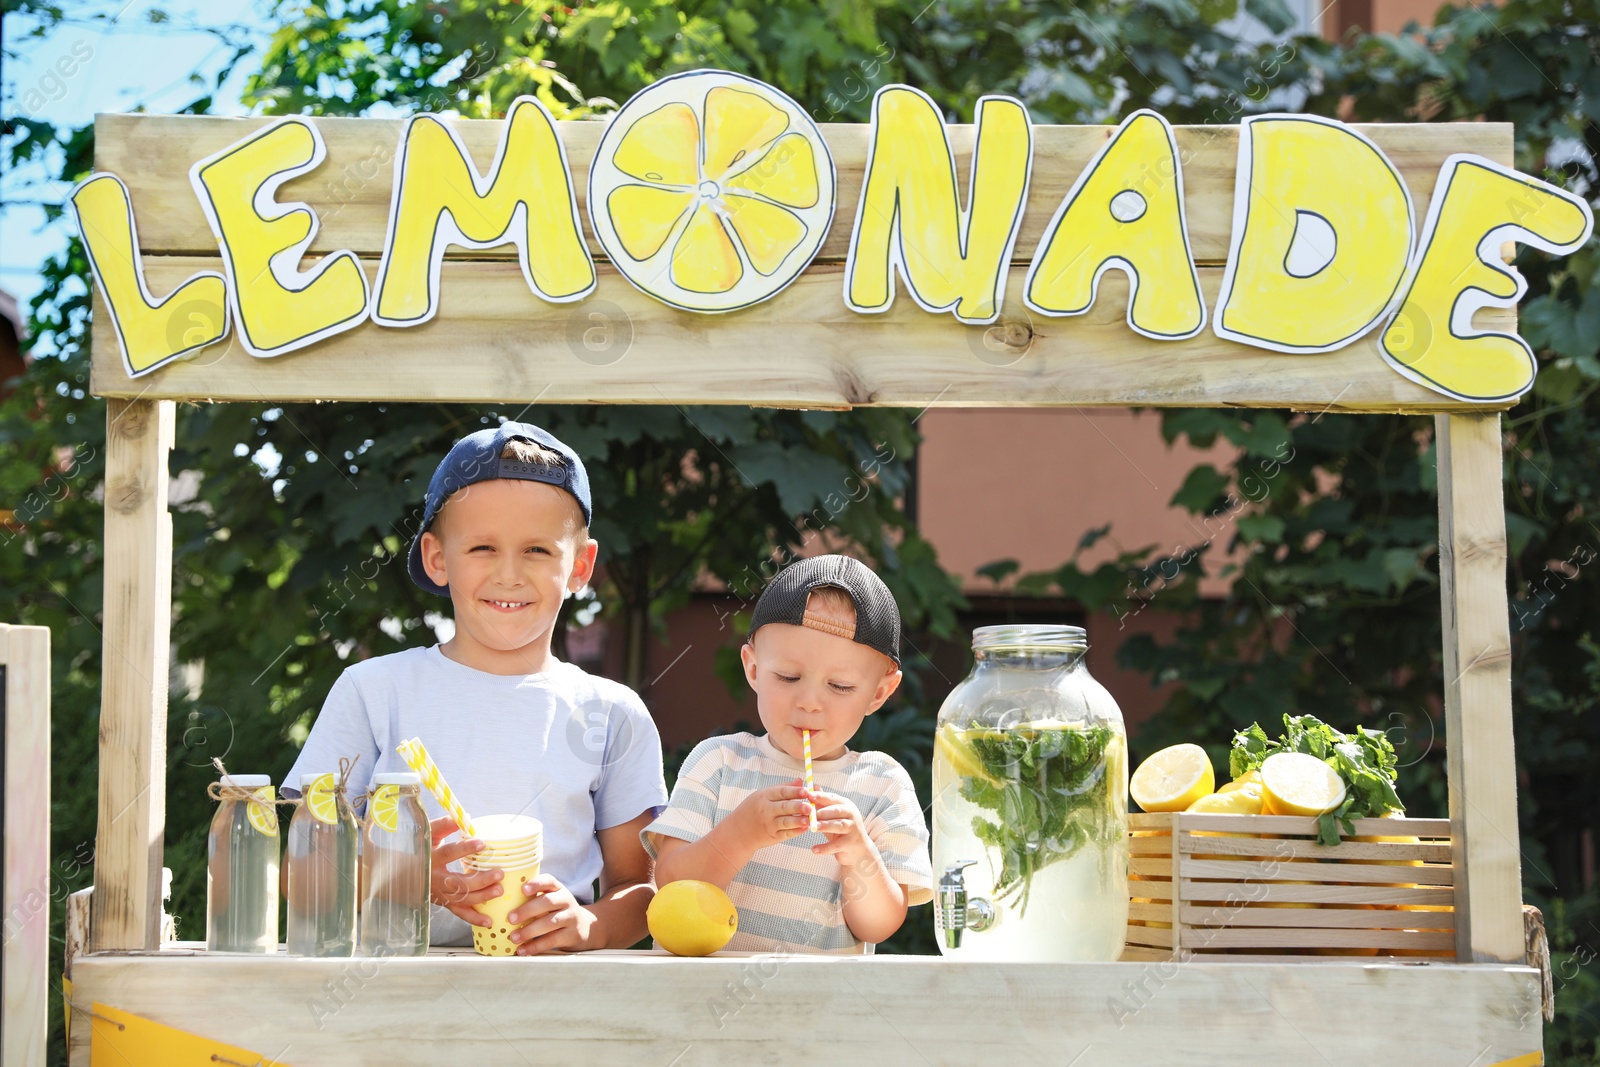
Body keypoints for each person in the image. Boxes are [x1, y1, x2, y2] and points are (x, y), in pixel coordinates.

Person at [284, 421, 666, 952]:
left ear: (580, 566)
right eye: (483, 547)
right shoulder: (373, 691)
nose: (509, 574)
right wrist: (409, 880)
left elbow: (642, 888)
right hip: (387, 996)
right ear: (438, 559)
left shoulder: (612, 712)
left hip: (551, 996)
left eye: (537, 550)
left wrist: (592, 926)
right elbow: (301, 872)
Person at [645, 555, 933, 953]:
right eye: (788, 677)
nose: (810, 702)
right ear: (753, 668)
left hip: (818, 1007)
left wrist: (857, 854)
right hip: (697, 998)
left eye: (841, 686)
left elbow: (878, 926)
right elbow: (670, 883)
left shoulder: (883, 786)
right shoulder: (717, 762)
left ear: (880, 693)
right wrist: (740, 834)